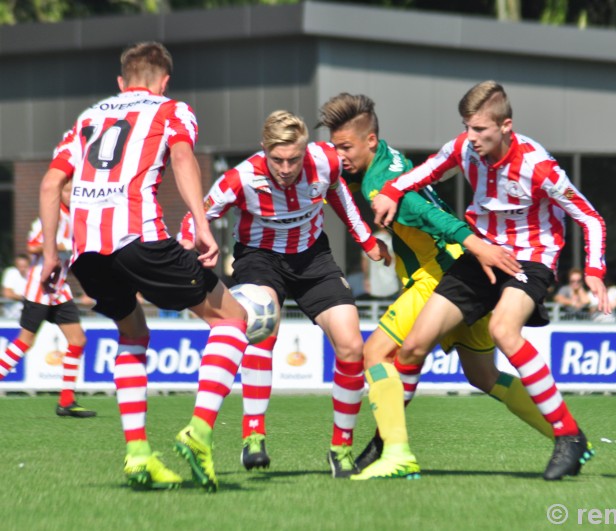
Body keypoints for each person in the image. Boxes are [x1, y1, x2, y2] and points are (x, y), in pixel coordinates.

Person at [367, 80, 608, 481]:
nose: (470, 137)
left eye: (479, 129)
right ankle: (388, 447)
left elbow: (590, 217)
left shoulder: (539, 167)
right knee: (412, 348)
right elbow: (425, 171)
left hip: (529, 260)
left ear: (506, 126)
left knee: (502, 329)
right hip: (481, 256)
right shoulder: (463, 148)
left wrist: (595, 271)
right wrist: (392, 190)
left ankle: (569, 436)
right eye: (467, 127)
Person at [39, 41, 250, 493]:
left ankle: (138, 455)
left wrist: (53, 258)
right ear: (164, 79)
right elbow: (181, 157)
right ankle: (199, 432)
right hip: (139, 238)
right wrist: (200, 222)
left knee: (133, 334)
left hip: (87, 252)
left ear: (122, 80)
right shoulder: (173, 109)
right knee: (233, 319)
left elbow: (51, 183)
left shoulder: (88, 118)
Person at [318, 92, 556, 474]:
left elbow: (424, 212)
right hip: (461, 270)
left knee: (375, 353)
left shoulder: (379, 181)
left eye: (345, 147)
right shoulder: (391, 157)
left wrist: (473, 242)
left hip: (436, 276)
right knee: (482, 374)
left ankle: (397, 456)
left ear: (370, 141)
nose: (339, 155)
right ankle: (564, 435)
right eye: (335, 147)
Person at [179, 110, 390, 478]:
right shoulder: (240, 178)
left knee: (352, 344)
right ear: (264, 150)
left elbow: (338, 193)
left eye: (294, 158)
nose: (286, 167)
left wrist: (367, 241)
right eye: (277, 159)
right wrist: (193, 242)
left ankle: (340, 447)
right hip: (259, 258)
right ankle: (254, 435)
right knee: (263, 325)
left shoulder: (324, 161)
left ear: (305, 150)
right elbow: (195, 217)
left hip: (313, 258)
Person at [0, 185, 96, 417]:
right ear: (59, 193)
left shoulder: (77, 219)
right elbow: (32, 246)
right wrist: (62, 246)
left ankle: (66, 402)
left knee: (78, 339)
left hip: (59, 290)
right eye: (68, 191)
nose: (72, 195)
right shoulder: (51, 216)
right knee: (25, 341)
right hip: (39, 290)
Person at [361, 227, 399, 299]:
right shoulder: (392, 240)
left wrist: (366, 279)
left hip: (375, 284)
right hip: (391, 284)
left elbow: (365, 261)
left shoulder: (371, 240)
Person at [2, 254, 30, 319]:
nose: (22, 269)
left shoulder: (33, 274)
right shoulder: (11, 273)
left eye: (25, 266)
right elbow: (7, 293)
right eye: (20, 266)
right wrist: (23, 298)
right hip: (12, 313)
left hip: (30, 313)